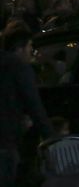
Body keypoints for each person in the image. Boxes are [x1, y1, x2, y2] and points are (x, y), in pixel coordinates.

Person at [1, 28, 54, 185]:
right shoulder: (19, 67)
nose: (32, 50)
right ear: (20, 48)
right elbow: (34, 105)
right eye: (30, 46)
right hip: (6, 140)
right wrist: (51, 139)